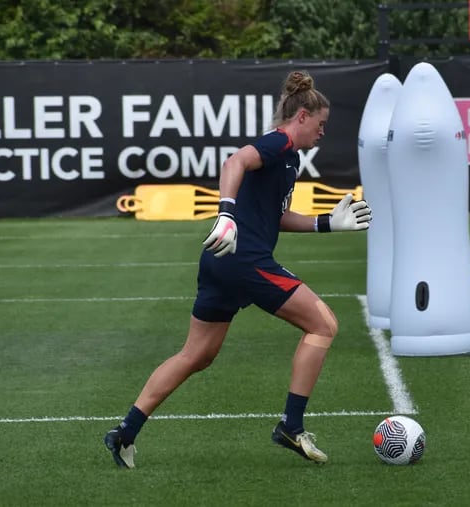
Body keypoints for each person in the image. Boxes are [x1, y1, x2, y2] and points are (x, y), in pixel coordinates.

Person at [104, 70, 372, 467]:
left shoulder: (289, 158)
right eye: (320, 125)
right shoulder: (280, 142)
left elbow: (274, 215)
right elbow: (234, 162)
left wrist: (325, 223)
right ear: (301, 117)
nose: (322, 133)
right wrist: (226, 214)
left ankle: (125, 431)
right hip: (243, 258)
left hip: (221, 260)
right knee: (324, 325)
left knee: (196, 354)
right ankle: (291, 427)